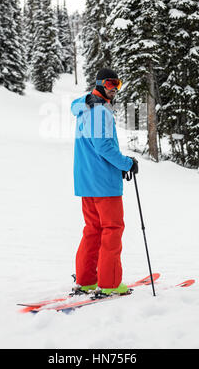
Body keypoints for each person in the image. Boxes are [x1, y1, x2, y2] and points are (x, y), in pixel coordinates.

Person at [71, 68, 138, 295]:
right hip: (103, 184)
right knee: (112, 229)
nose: (114, 89)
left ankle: (87, 280)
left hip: (87, 182)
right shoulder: (100, 111)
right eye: (110, 83)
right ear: (100, 84)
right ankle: (109, 283)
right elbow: (103, 147)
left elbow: (74, 105)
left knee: (93, 230)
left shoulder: (84, 108)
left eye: (117, 84)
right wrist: (127, 163)